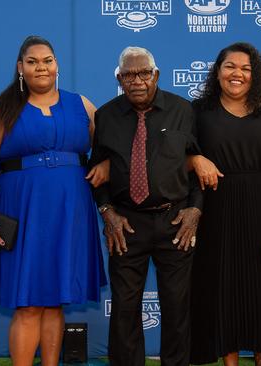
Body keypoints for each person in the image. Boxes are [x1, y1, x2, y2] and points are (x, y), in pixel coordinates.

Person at [0, 35, 106, 366]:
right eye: (32, 61)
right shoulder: (2, 107)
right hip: (22, 210)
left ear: (57, 65)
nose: (41, 67)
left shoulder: (82, 105)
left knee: (55, 301)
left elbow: (110, 146)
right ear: (20, 67)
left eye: (47, 60)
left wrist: (104, 162)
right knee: (29, 303)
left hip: (70, 212)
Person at [89, 46, 202, 366]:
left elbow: (197, 166)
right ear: (119, 78)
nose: (136, 80)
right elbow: (97, 173)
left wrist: (195, 210)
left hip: (175, 221)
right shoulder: (106, 116)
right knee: (124, 308)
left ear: (157, 75)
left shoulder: (183, 110)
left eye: (143, 73)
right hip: (125, 224)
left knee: (177, 306)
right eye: (128, 75)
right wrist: (107, 212)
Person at [189, 42, 261, 366]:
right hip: (217, 213)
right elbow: (178, 157)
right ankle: (230, 361)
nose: (237, 73)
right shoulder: (198, 111)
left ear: (256, 75)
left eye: (245, 68)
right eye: (230, 66)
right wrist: (195, 157)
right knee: (223, 287)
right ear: (217, 71)